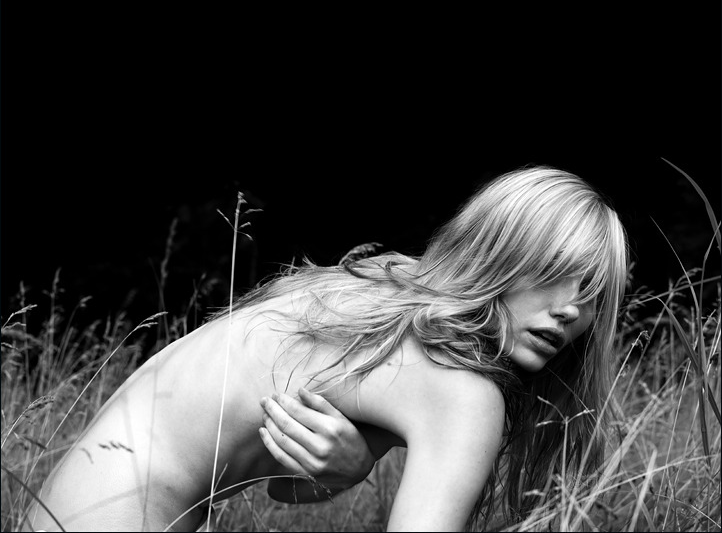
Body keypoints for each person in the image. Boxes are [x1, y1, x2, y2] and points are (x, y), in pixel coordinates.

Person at [25, 165, 629, 532]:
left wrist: (356, 463)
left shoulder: (385, 292)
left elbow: (283, 488)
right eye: (555, 272)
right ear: (500, 254)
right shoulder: (464, 392)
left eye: (593, 295)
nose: (570, 309)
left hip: (72, 503)